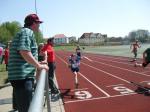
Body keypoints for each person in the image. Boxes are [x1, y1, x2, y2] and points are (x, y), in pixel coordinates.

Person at [8, 14, 49, 112]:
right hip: (22, 78)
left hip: (19, 77)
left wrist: (38, 62)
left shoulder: (23, 32)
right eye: (38, 23)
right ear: (33, 23)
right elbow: (24, 51)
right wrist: (39, 66)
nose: (39, 25)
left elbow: (24, 55)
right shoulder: (27, 32)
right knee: (27, 109)